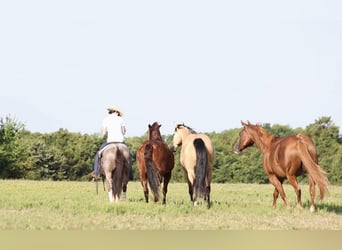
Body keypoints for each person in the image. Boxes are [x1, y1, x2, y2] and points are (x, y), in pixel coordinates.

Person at [93, 106, 132, 179]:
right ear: (115, 112)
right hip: (120, 142)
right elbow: (124, 132)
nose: (119, 114)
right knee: (130, 155)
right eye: (118, 113)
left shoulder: (106, 119)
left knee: (98, 154)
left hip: (110, 141)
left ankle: (96, 172)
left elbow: (104, 133)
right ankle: (130, 173)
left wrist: (106, 133)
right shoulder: (121, 119)